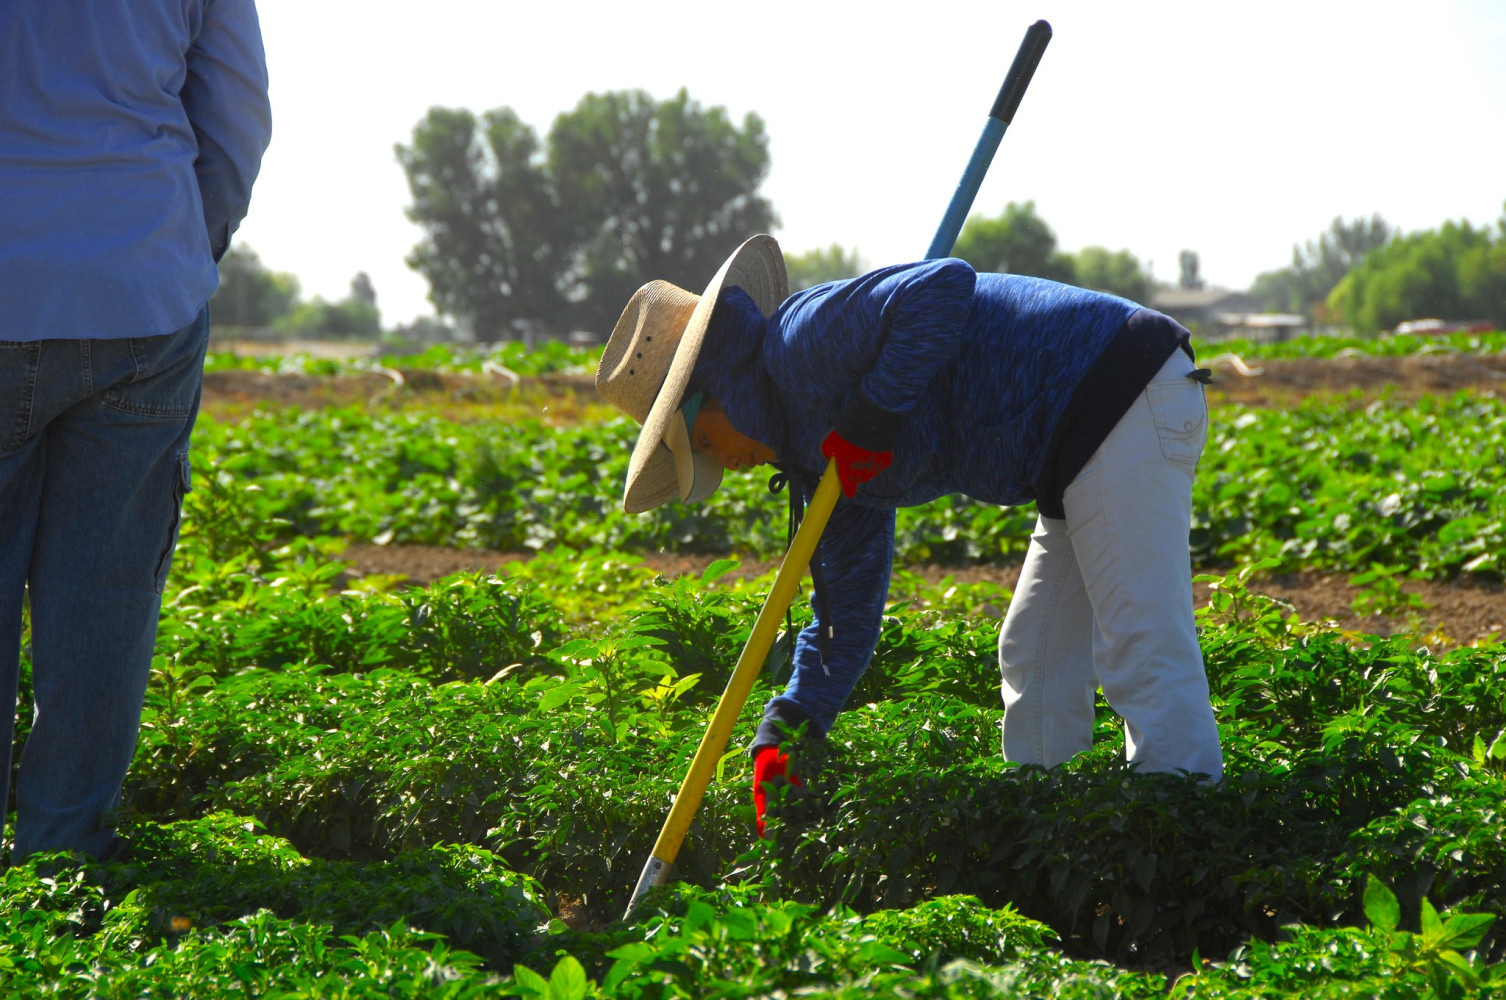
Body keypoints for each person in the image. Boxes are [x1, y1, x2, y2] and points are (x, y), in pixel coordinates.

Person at [596, 234, 1224, 835]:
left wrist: (874, 412)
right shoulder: (821, 469)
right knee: (1033, 654)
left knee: (1141, 645)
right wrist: (789, 723)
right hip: (1067, 445)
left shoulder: (798, 343)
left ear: (718, 391)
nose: (723, 465)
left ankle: (1179, 849)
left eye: (705, 443)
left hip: (1119, 388)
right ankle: (1051, 839)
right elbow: (845, 613)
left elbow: (942, 286)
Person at [0, 2, 272, 863]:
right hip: (140, 291)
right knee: (105, 598)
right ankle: (61, 860)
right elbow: (235, 117)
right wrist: (187, 250)